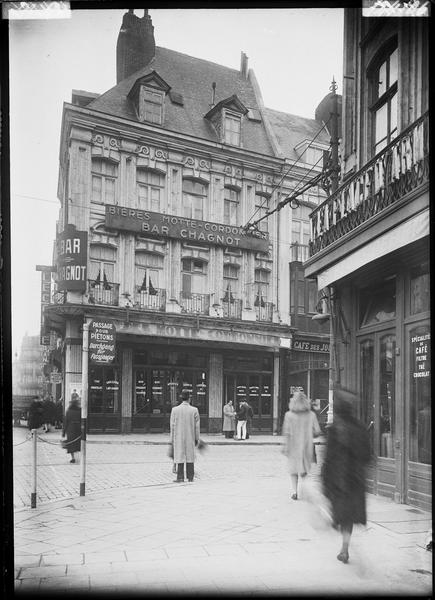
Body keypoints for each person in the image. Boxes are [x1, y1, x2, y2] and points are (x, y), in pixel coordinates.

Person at [321, 387, 371, 564]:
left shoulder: (335, 428)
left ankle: (338, 529)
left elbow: (328, 457)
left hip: (338, 478)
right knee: (348, 516)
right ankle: (344, 547)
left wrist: (324, 478)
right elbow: (368, 456)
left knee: (340, 512)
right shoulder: (360, 427)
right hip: (355, 479)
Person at [281, 390, 320, 500]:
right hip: (307, 446)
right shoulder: (311, 415)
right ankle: (304, 487)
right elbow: (317, 431)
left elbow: (286, 432)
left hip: (293, 446)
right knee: (303, 469)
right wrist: (308, 433)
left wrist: (285, 446)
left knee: (293, 470)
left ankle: (294, 491)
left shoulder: (288, 415)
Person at [170, 389, 200, 482]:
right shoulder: (194, 410)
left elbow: (172, 426)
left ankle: (180, 477)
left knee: (179, 455)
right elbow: (197, 427)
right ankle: (190, 476)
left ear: (181, 398)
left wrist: (172, 439)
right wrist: (196, 438)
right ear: (189, 398)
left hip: (178, 437)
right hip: (190, 436)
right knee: (190, 455)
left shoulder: (175, 410)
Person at [62, 395, 81, 464]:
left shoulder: (69, 411)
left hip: (70, 429)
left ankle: (73, 458)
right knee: (77, 443)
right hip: (78, 428)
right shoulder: (80, 411)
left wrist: (63, 432)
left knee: (71, 443)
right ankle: (77, 456)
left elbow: (66, 422)